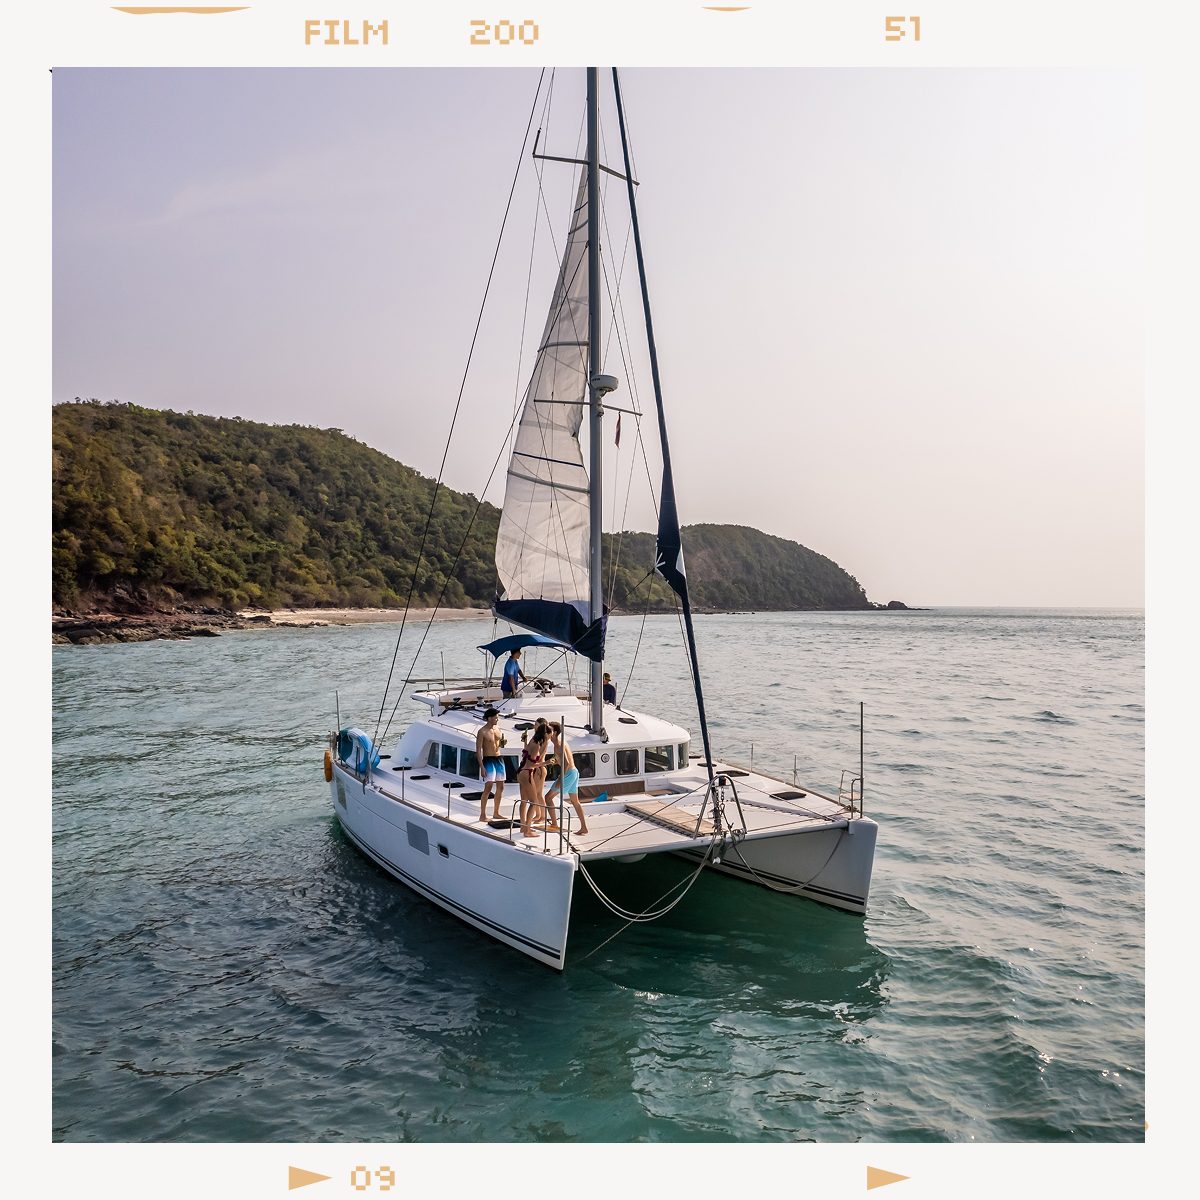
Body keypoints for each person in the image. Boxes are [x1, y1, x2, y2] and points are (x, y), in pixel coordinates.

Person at [544, 721, 588, 837]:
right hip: (574, 772)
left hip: (568, 773)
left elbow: (566, 763)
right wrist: (548, 762)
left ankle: (554, 824)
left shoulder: (558, 744)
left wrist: (560, 779)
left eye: (549, 730)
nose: (547, 732)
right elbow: (561, 760)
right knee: (575, 801)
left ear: (555, 732)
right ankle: (584, 827)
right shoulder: (561, 742)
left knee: (548, 798)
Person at [517, 722, 550, 837]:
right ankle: (527, 830)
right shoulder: (537, 746)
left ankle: (523, 826)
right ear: (545, 734)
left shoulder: (532, 741)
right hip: (527, 773)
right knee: (533, 802)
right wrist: (546, 763)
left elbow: (525, 755)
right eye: (549, 735)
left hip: (521, 772)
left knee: (524, 801)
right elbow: (532, 764)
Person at [475, 708, 507, 824]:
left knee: (501, 787)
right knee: (488, 787)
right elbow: (478, 751)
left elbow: (500, 744)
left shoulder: (498, 729)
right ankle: (482, 815)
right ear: (489, 718)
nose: (497, 719)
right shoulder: (482, 731)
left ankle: (496, 812)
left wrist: (503, 743)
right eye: (496, 717)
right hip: (488, 759)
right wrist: (482, 767)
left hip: (499, 758)